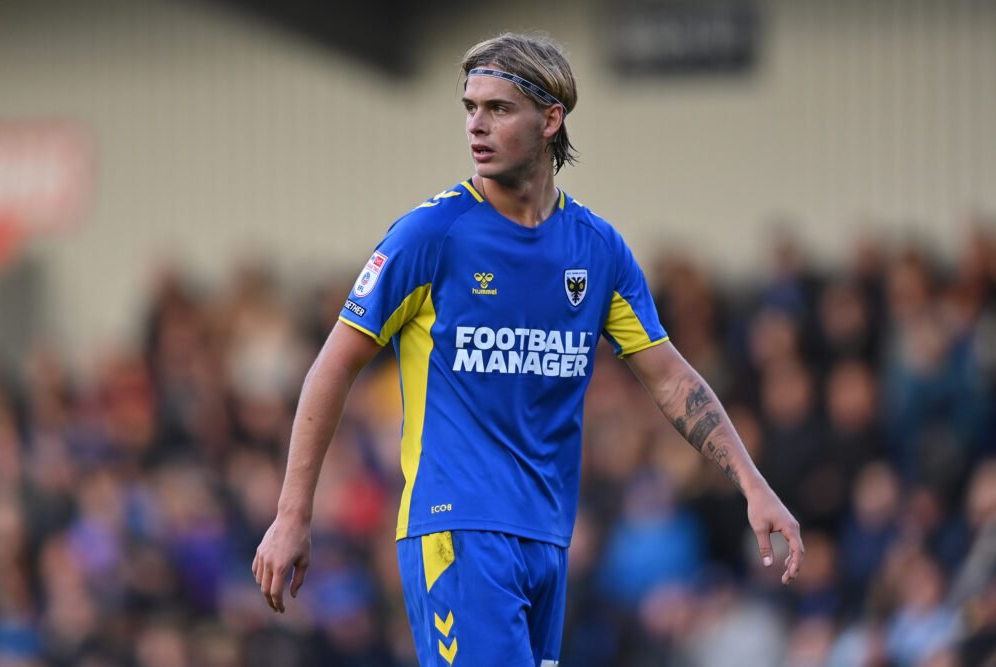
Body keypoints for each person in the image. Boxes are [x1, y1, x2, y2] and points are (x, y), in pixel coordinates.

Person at [253, 32, 804, 666]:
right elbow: (332, 367)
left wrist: (752, 484)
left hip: (548, 536)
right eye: (469, 108)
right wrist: (292, 515)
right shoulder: (431, 235)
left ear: (550, 119)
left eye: (498, 108)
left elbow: (673, 379)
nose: (475, 126)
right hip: (456, 526)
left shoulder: (597, 250)